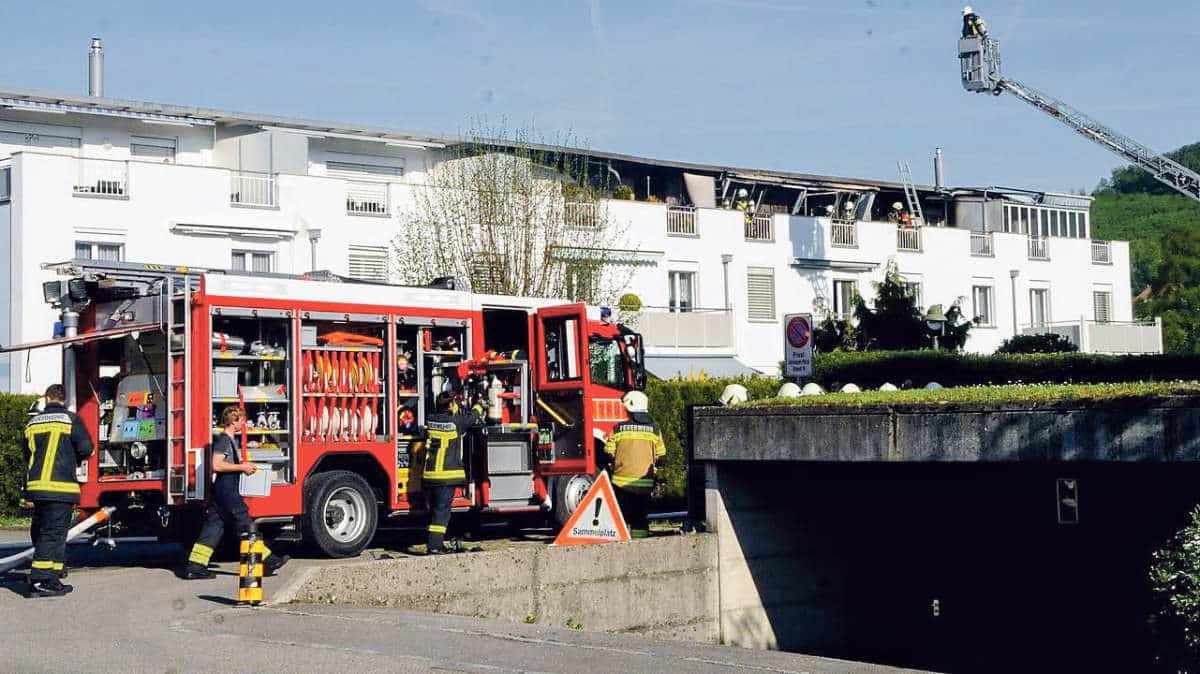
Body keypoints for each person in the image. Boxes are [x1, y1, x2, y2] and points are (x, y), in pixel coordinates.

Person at [180, 406, 289, 580]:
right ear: (233, 421)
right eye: (242, 420)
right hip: (227, 489)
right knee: (244, 522)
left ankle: (195, 566)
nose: (244, 423)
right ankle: (268, 560)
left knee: (213, 528)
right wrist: (242, 467)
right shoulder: (223, 440)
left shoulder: (228, 440)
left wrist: (243, 467)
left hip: (223, 489)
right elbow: (216, 465)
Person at [23, 385, 93, 598]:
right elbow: (86, 448)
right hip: (60, 487)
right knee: (53, 533)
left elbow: (27, 454)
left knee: (43, 530)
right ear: (64, 399)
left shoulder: (32, 423)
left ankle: (52, 577)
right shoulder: (70, 420)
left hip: (37, 487)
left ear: (47, 398)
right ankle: (41, 580)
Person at [421, 392, 484, 554]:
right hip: (446, 475)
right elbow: (472, 417)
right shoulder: (456, 422)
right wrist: (479, 405)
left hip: (430, 474)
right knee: (442, 512)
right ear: (450, 405)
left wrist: (454, 407)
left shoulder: (432, 419)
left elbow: (452, 418)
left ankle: (435, 543)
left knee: (435, 510)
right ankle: (434, 546)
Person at [603, 391, 666, 539]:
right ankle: (640, 544)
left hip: (621, 484)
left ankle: (620, 545)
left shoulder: (617, 429)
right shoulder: (655, 430)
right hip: (645, 485)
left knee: (620, 518)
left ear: (630, 407)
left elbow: (608, 453)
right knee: (640, 519)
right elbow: (662, 457)